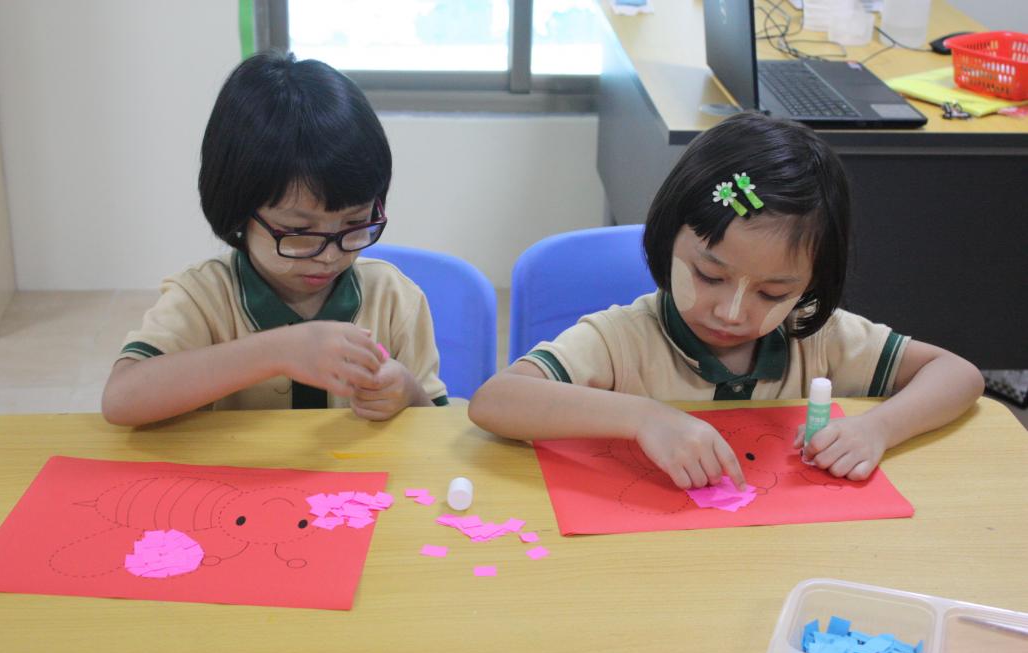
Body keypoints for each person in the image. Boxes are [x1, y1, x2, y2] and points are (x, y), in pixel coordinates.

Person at [469, 112, 982, 489]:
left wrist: (878, 428)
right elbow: (496, 401)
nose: (732, 312)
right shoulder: (622, 339)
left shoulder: (816, 337)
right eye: (709, 275)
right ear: (667, 238)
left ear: (810, 285)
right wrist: (645, 417)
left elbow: (958, 374)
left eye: (773, 292)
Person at [102, 51, 447, 426]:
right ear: (237, 209)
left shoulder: (394, 299)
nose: (329, 256)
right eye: (299, 233)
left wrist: (409, 392)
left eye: (355, 222)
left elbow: (437, 432)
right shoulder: (203, 297)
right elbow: (122, 400)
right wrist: (277, 351)